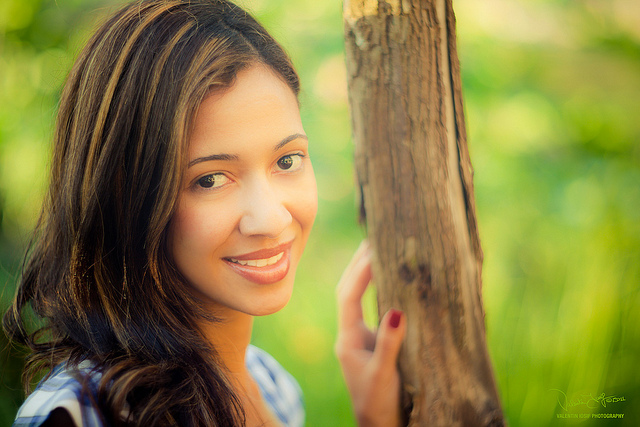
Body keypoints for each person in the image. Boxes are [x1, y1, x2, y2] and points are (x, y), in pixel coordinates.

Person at [4, 1, 406, 425]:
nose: (271, 219)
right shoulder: (79, 415)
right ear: (127, 196)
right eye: (211, 179)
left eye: (287, 160)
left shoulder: (275, 388)